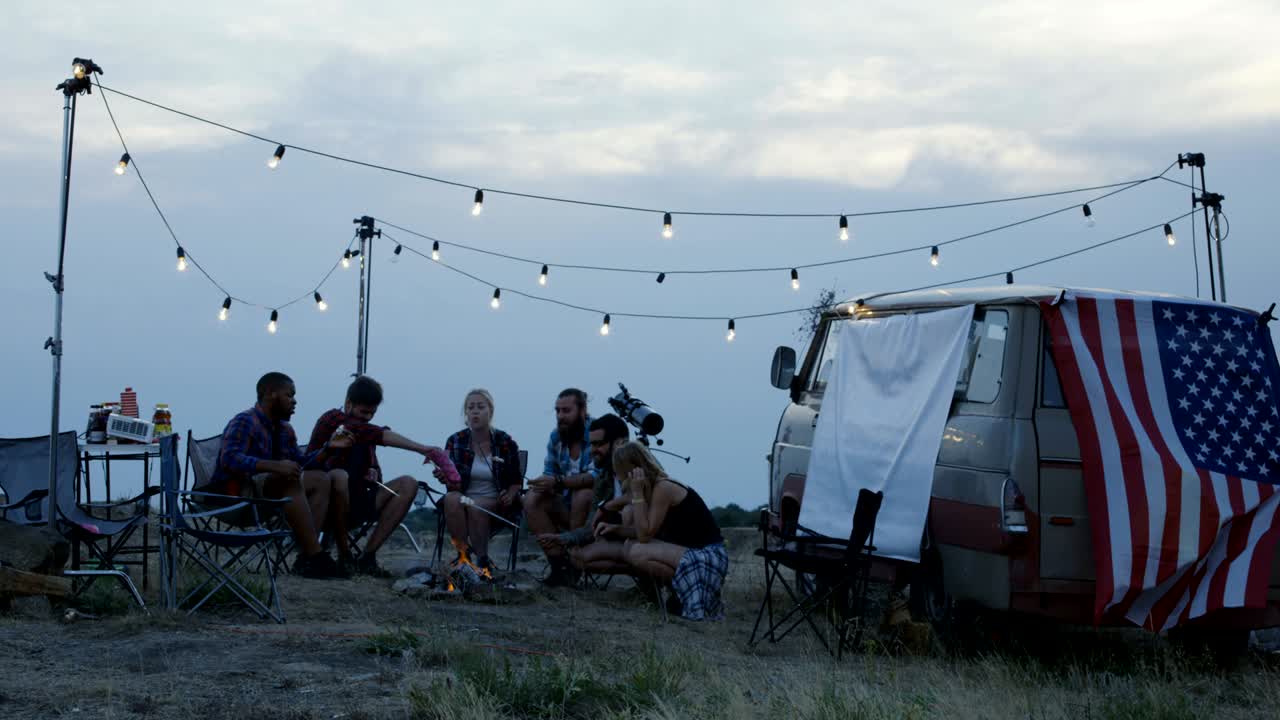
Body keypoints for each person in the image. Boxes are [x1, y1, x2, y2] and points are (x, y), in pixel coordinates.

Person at [207, 371, 352, 579]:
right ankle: (316, 556)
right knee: (287, 477)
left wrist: (328, 448)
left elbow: (302, 464)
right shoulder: (245, 421)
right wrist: (275, 466)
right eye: (289, 395)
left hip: (271, 496)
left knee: (322, 479)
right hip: (238, 495)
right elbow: (229, 460)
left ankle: (306, 559)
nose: (295, 401)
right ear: (270, 393)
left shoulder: (285, 430)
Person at [306, 375, 443, 577]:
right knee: (340, 476)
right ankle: (344, 555)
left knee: (408, 483)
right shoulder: (333, 419)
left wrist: (374, 473)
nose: (367, 417)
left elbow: (376, 469)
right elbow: (375, 433)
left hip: (357, 504)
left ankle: (367, 557)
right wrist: (422, 449)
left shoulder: (367, 434)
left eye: (372, 413)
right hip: (323, 506)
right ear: (348, 403)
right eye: (363, 411)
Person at [599, 441, 728, 621]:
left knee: (636, 551)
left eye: (619, 473)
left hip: (706, 556)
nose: (618, 478)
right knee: (630, 546)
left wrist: (636, 494)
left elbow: (644, 536)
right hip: (690, 553)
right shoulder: (652, 489)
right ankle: (675, 593)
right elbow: (645, 531)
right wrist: (617, 529)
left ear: (632, 470)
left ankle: (678, 593)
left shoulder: (663, 487)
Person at [436, 389, 523, 573]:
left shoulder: (504, 441)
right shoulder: (455, 441)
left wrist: (511, 494)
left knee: (476, 505)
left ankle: (482, 561)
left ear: (490, 411)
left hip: (496, 501)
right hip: (463, 498)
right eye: (470, 407)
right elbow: (453, 486)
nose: (475, 411)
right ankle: (464, 558)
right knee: (451, 498)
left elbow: (517, 481)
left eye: (480, 407)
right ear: (465, 413)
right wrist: (445, 477)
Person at [536, 414, 632, 576]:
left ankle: (647, 574)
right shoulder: (604, 479)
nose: (593, 451)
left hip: (649, 540)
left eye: (598, 444)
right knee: (576, 556)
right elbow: (590, 527)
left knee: (629, 513)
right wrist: (563, 538)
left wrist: (611, 509)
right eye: (591, 444)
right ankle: (639, 570)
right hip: (623, 539)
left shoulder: (638, 471)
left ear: (618, 443)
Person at [522, 388, 596, 586]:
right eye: (557, 411)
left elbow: (596, 476)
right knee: (532, 497)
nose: (560, 416)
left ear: (582, 410)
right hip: (565, 507)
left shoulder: (597, 433)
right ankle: (560, 566)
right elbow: (549, 471)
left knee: (583, 492)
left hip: (595, 515)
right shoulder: (556, 437)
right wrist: (543, 483)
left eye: (566, 411)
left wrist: (557, 482)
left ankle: (575, 559)